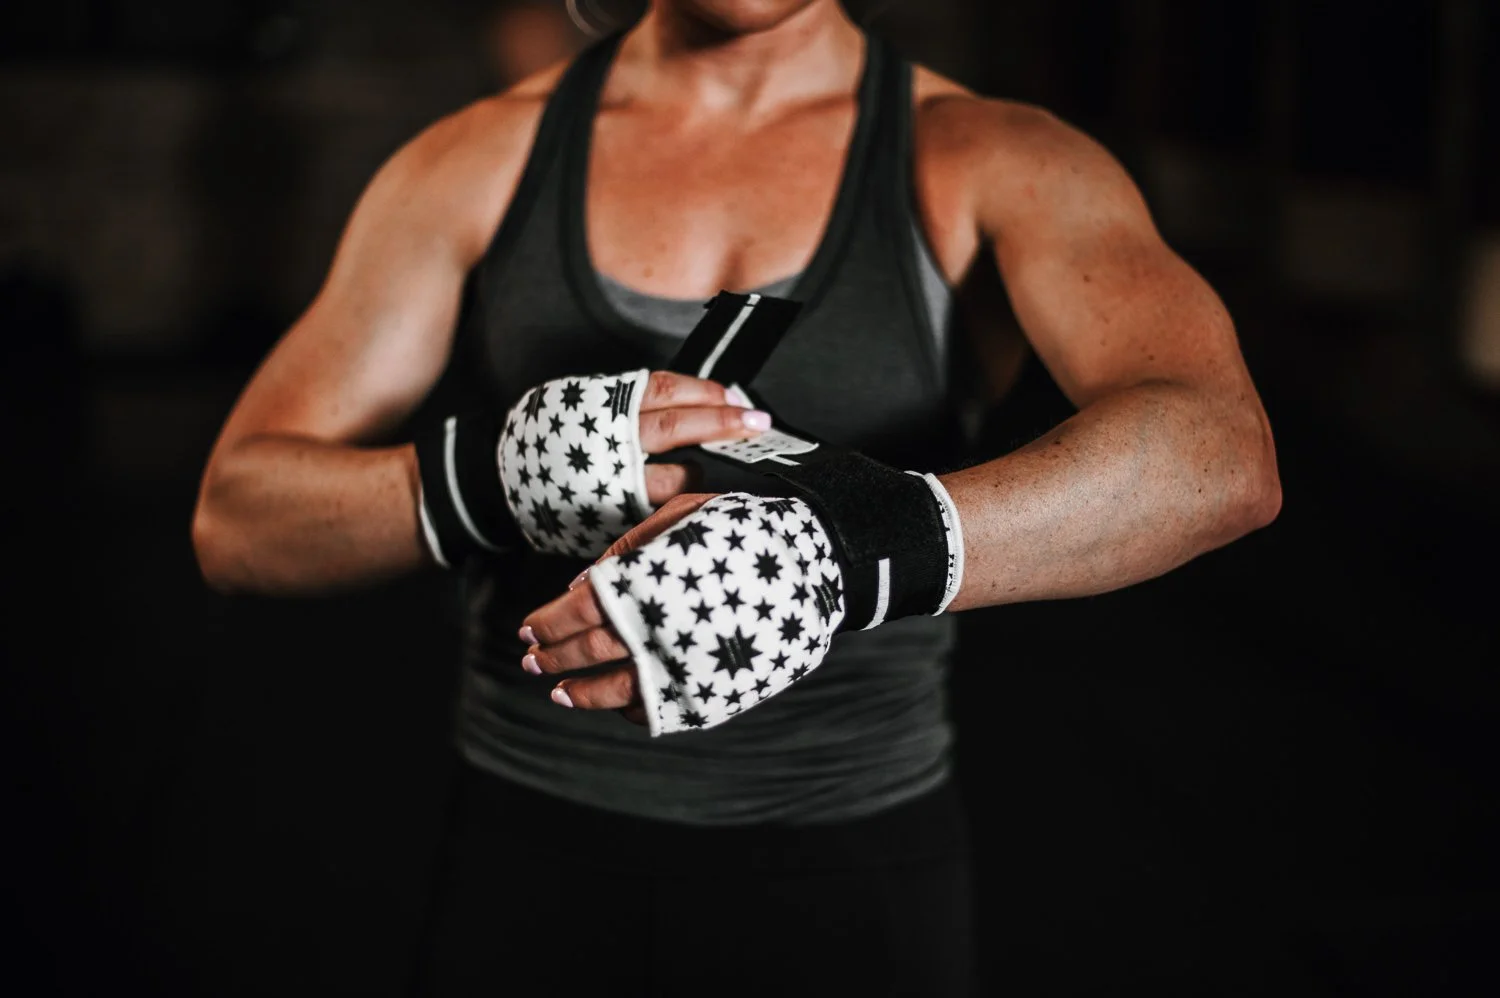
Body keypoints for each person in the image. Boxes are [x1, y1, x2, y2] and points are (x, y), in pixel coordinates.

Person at [191, 1, 1281, 994]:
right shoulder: (481, 159)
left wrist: (846, 548)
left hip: (848, 861)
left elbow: (1221, 453)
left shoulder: (993, 159)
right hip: (530, 847)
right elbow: (238, 519)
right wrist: (489, 479)